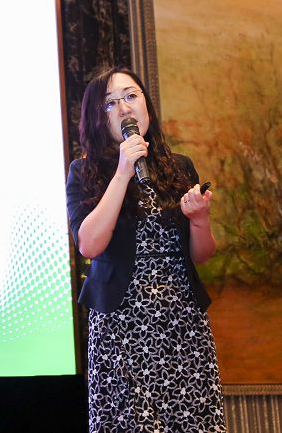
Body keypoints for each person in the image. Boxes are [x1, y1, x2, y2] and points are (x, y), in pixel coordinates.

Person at [66, 67, 227, 433]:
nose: (124, 107)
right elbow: (89, 243)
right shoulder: (83, 172)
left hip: (182, 323)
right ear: (96, 118)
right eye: (110, 103)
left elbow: (201, 254)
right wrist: (123, 171)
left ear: (147, 105)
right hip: (121, 324)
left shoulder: (179, 167)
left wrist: (199, 218)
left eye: (131, 96)